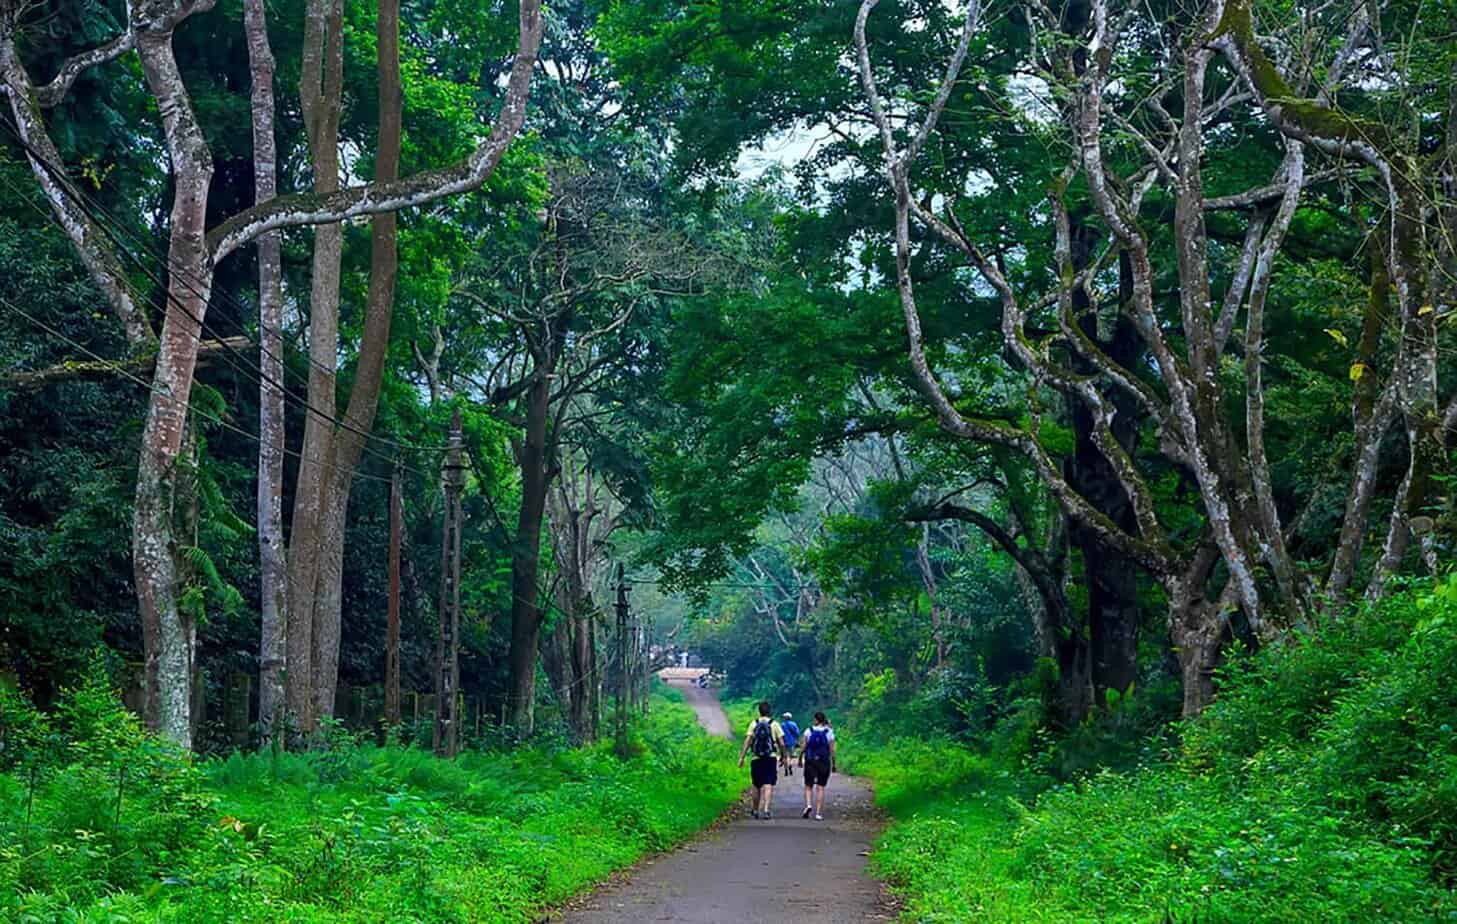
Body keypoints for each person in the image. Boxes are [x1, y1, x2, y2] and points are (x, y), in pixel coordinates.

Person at [737, 701, 784, 819]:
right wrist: (784, 755)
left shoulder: (754, 724)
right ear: (769, 711)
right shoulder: (774, 724)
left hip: (756, 757)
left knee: (756, 784)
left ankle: (755, 809)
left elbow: (748, 741)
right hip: (770, 757)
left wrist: (742, 757)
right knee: (768, 783)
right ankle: (766, 809)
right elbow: (782, 743)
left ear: (759, 711)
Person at [799, 711, 836, 821]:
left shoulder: (808, 731)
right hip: (824, 762)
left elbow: (804, 746)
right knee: (820, 787)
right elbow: (832, 750)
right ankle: (818, 813)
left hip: (810, 761)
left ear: (815, 720)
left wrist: (800, 758)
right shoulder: (829, 732)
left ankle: (808, 805)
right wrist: (834, 764)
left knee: (808, 785)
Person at [779, 712, 800, 778]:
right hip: (792, 742)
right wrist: (796, 739)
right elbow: (797, 733)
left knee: (785, 756)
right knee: (791, 756)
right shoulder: (793, 724)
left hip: (783, 742)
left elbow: (779, 734)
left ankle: (786, 770)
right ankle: (790, 765)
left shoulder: (782, 725)